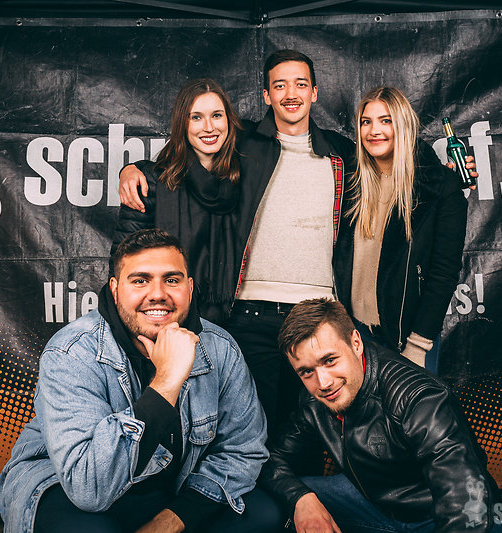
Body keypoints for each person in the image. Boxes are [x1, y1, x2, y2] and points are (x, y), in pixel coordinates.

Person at [118, 50, 356, 442]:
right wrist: (133, 171)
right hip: (250, 312)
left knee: (309, 435)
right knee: (249, 431)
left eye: (300, 84)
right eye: (280, 85)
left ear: (315, 92)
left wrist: (446, 173)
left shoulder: (341, 153)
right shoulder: (245, 143)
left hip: (317, 311)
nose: (291, 94)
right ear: (266, 95)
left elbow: (393, 163)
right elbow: (187, 154)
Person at [0, 229, 280, 533]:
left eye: (171, 280)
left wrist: (173, 519)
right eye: (140, 280)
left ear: (189, 287)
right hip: (71, 488)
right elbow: (89, 488)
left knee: (264, 515)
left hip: (172, 488)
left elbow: (244, 449)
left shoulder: (220, 348)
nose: (157, 294)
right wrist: (166, 381)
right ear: (115, 289)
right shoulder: (72, 352)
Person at [260, 298, 502, 533]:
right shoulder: (315, 400)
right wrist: (301, 499)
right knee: (284, 501)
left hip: (436, 518)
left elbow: (466, 500)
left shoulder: (416, 397)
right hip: (378, 506)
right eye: (306, 371)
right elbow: (271, 459)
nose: (323, 382)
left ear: (356, 343)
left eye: (330, 360)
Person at [334, 86, 475, 374]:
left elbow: (444, 272)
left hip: (409, 339)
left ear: (403, 125)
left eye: (386, 121)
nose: (374, 130)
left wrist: (418, 345)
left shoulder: (438, 186)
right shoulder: (351, 183)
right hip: (356, 335)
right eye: (366, 121)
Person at [111, 78, 244, 325]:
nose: (208, 127)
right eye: (196, 117)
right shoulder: (150, 182)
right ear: (182, 123)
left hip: (235, 321)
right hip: (165, 317)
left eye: (216, 115)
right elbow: (122, 261)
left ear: (229, 121)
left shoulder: (245, 179)